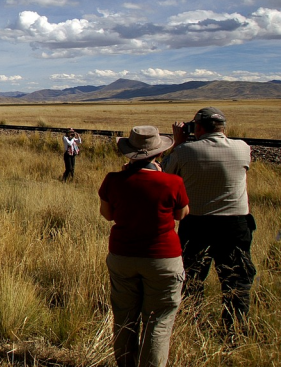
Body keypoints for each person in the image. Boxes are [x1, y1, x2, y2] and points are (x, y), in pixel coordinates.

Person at [99, 126, 189, 367]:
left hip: (123, 255)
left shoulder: (113, 180)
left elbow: (107, 215)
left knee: (124, 318)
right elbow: (182, 214)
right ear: (158, 154)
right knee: (158, 321)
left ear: (128, 154)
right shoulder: (172, 182)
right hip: (163, 257)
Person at [161, 107, 255, 334]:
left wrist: (178, 143)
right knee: (236, 279)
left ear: (198, 127)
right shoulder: (243, 148)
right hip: (236, 224)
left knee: (192, 277)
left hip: (197, 223)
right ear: (224, 128)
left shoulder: (184, 151)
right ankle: (234, 329)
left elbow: (164, 174)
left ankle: (193, 324)